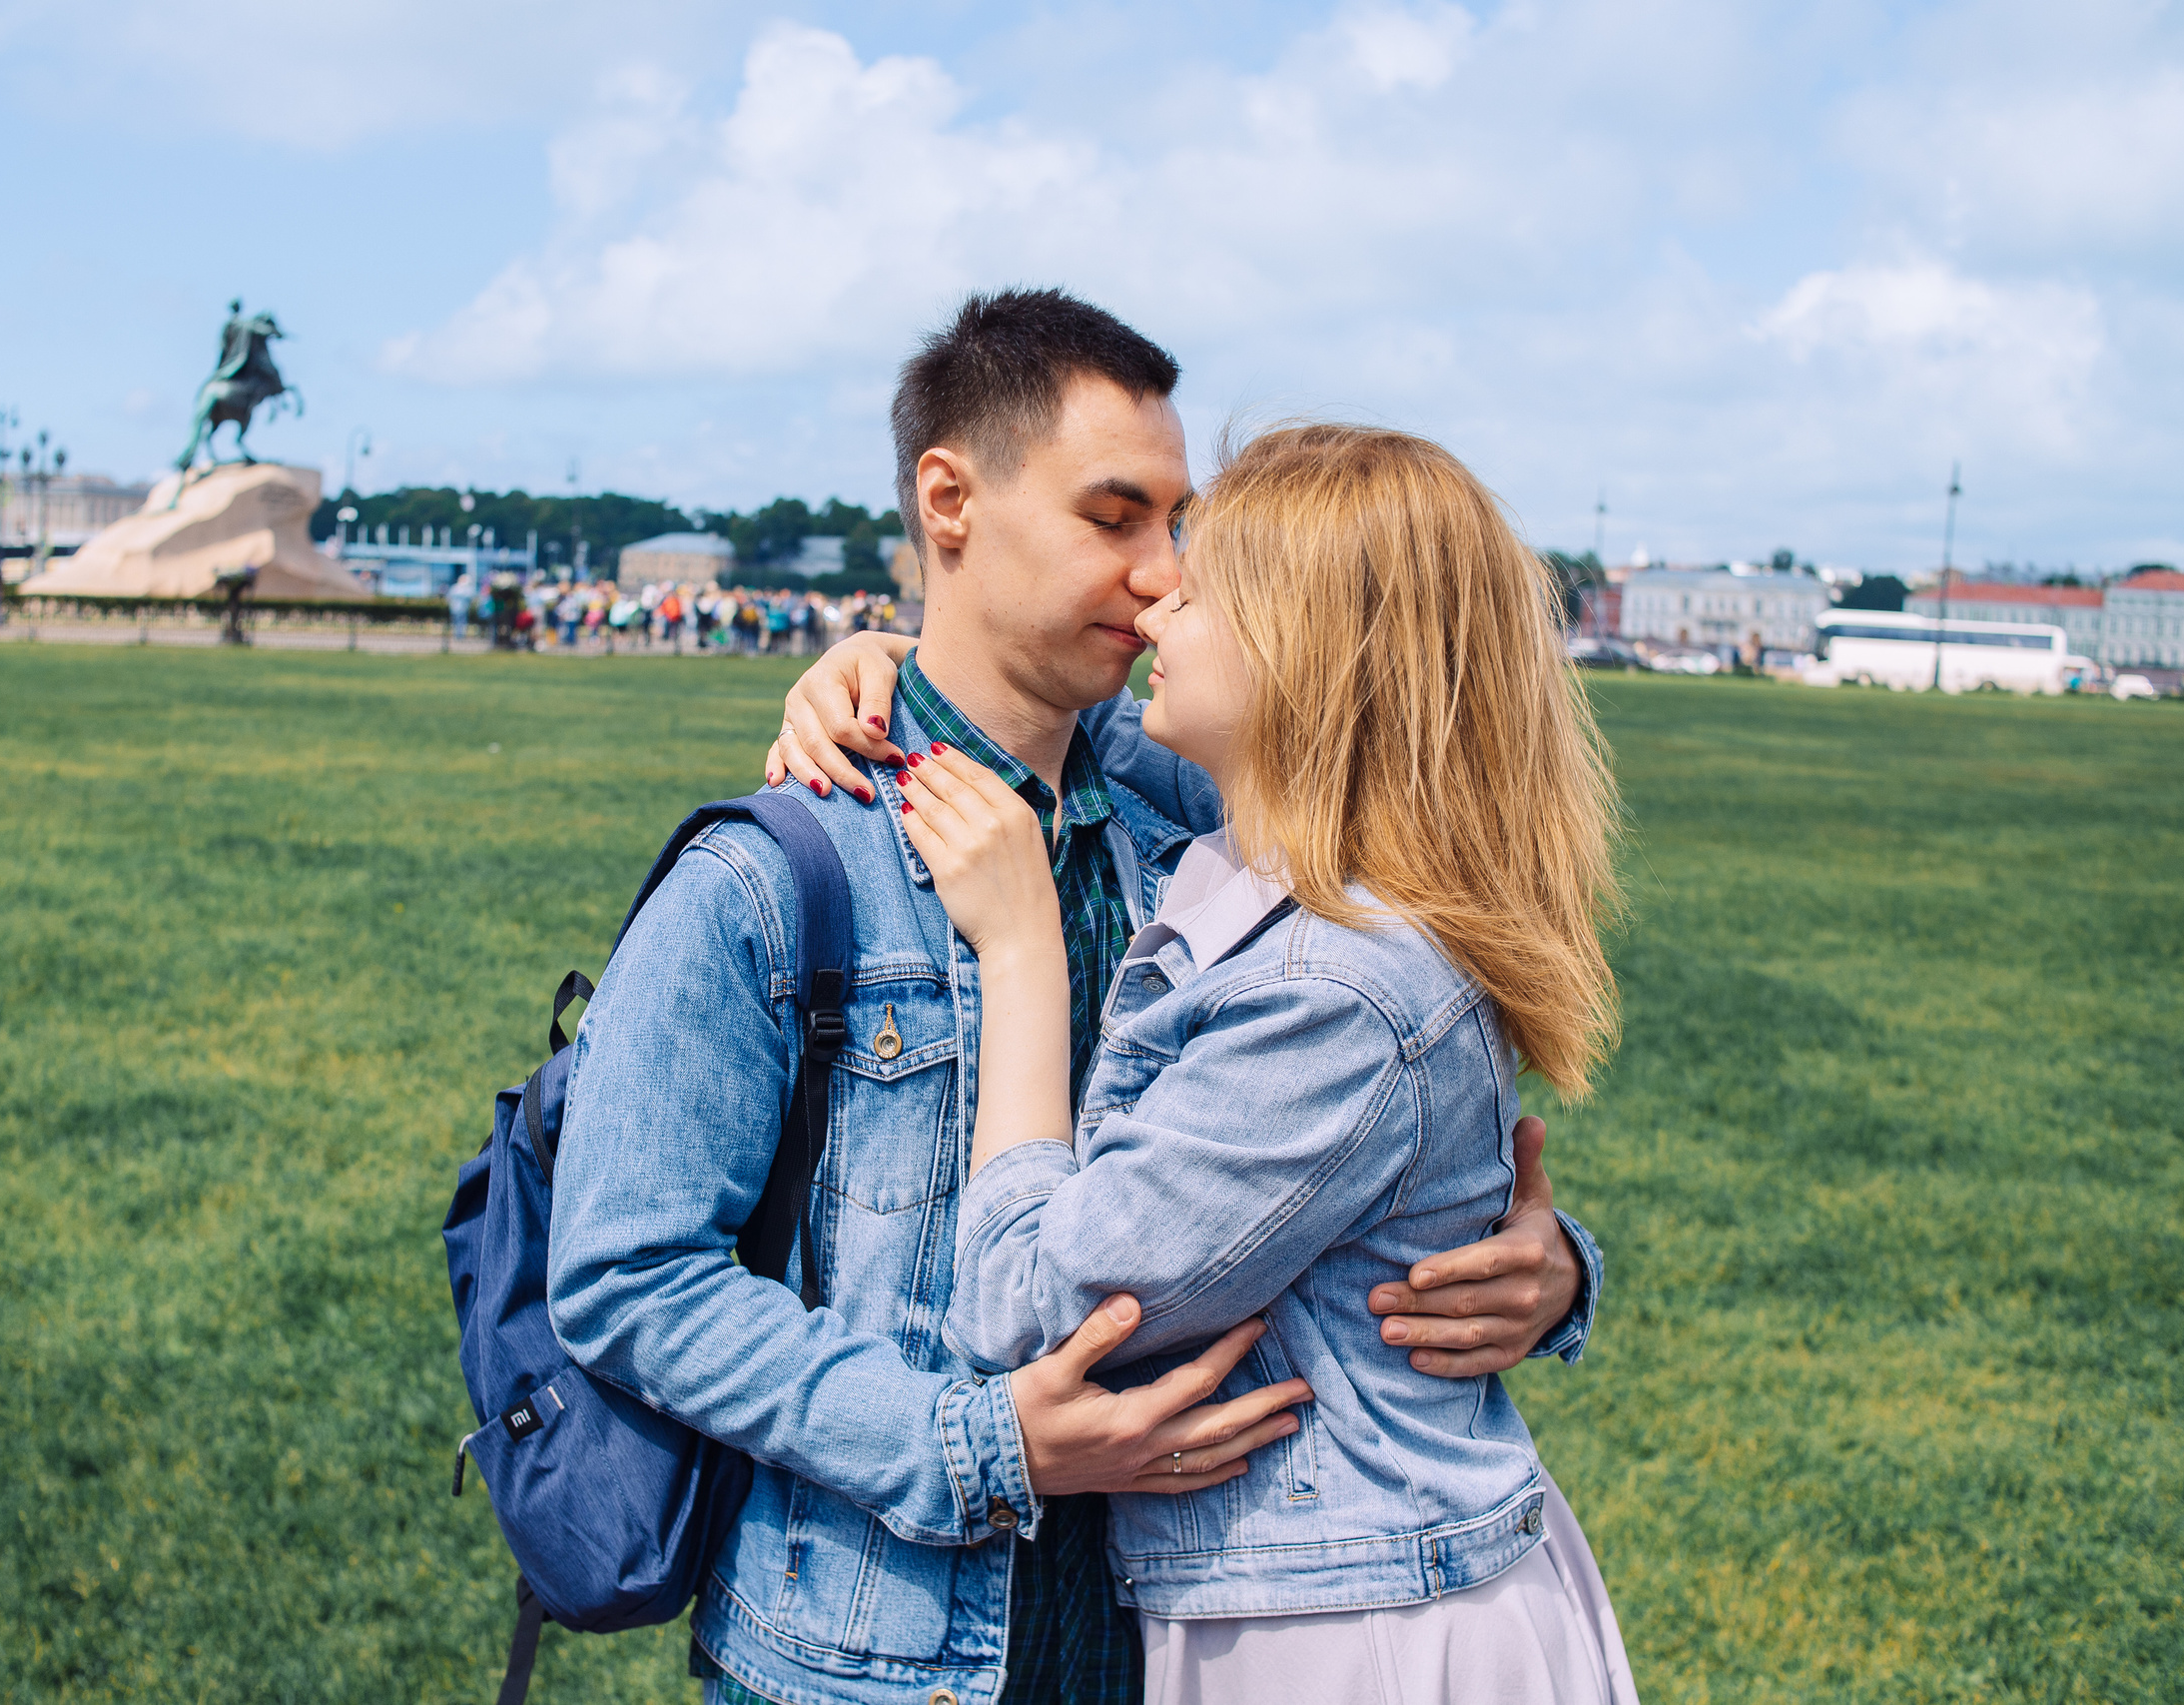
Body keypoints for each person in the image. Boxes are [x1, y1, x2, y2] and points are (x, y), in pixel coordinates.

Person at [548, 290, 1599, 1705]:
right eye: (1118, 517)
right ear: (951, 500)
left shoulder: (1198, 818)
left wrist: (1542, 1263)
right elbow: (627, 1276)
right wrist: (971, 1440)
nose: (1165, 573)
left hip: (1177, 1630)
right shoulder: (773, 872)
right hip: (874, 1652)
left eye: (1182, 527)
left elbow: (1361, 1109)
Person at [879, 424, 1638, 1702]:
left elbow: (1020, 1301)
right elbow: (1036, 720)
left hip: (1354, 1637)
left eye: (1203, 576)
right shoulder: (1291, 873)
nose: (1158, 589)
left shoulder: (1337, 992)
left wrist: (1020, 958)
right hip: (1351, 1599)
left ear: (1312, 658)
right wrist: (882, 668)